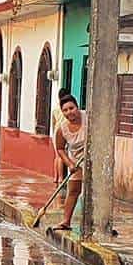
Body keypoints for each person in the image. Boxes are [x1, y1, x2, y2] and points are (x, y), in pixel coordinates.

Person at [52, 94, 87, 232]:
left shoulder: (89, 118)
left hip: (93, 157)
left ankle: (100, 223)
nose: (69, 112)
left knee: (95, 191)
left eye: (71, 108)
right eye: (65, 110)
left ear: (77, 107)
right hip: (76, 159)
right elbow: (60, 149)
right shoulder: (62, 129)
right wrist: (70, 164)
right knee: (73, 190)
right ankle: (66, 222)